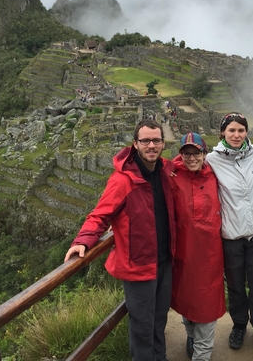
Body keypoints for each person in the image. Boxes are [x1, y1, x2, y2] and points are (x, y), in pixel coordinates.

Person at [64, 119, 175, 361]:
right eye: (145, 140)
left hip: (164, 261)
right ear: (135, 144)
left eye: (156, 140)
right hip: (138, 265)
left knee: (159, 318)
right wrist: (83, 240)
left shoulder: (165, 171)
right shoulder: (123, 180)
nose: (151, 145)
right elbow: (100, 214)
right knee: (143, 326)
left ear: (163, 143)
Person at [205, 113, 253, 353]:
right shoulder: (211, 160)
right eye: (231, 130)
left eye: (241, 131)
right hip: (232, 237)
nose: (236, 135)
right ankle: (239, 324)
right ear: (223, 132)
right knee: (235, 286)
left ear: (246, 133)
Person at [170, 132, 225, 361]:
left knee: (206, 304)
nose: (192, 158)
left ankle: (202, 354)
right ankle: (191, 335)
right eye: (187, 153)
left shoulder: (217, 175)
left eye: (197, 153)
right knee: (186, 300)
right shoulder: (171, 177)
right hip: (183, 253)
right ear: (181, 154)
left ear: (205, 153)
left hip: (210, 254)